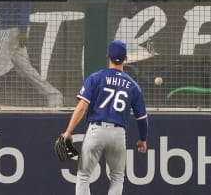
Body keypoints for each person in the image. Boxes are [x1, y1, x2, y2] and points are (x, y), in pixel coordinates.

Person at [61, 39, 148, 195]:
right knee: (117, 177)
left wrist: (68, 132)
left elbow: (82, 107)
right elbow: (142, 118)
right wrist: (143, 139)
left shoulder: (95, 78)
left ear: (107, 56)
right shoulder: (133, 85)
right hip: (118, 134)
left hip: (96, 130)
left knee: (83, 176)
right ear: (126, 59)